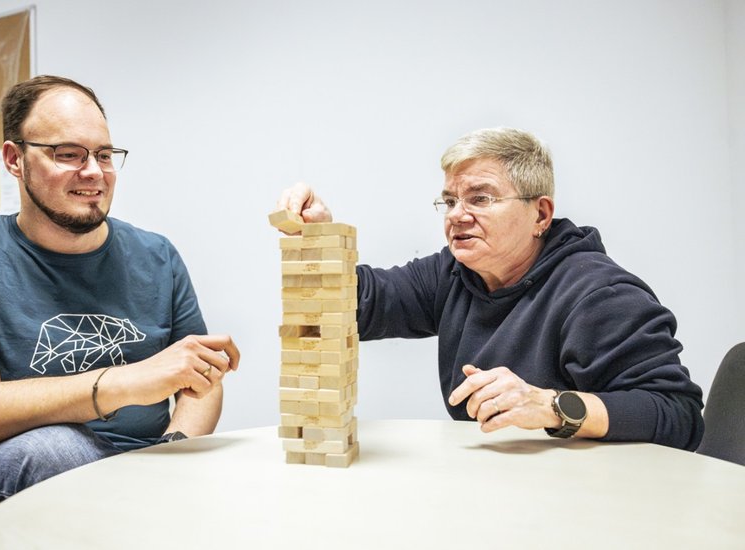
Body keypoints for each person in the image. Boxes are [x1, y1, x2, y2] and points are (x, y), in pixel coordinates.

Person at [0, 75, 240, 547]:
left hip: (135, 474)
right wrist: (124, 382)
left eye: (105, 155)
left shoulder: (157, 256)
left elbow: (200, 382)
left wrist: (172, 453)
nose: (94, 171)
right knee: (54, 449)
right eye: (67, 154)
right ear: (15, 160)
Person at [277, 127, 703, 450]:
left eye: (480, 199)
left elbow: (679, 415)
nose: (457, 216)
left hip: (595, 502)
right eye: (450, 201)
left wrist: (553, 406)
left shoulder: (599, 294)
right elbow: (357, 304)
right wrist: (321, 238)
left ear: (541, 214)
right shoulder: (457, 273)